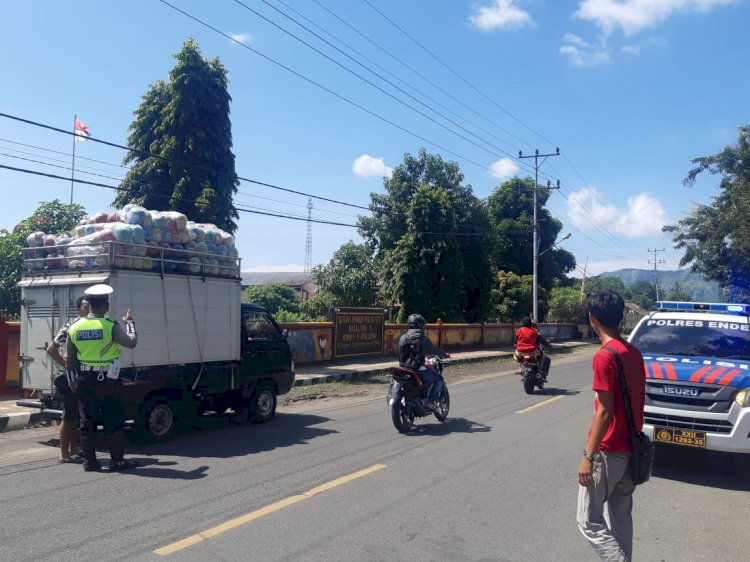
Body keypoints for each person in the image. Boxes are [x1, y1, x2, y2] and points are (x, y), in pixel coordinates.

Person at [576, 290, 646, 562]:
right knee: (620, 519)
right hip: (631, 448)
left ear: (592, 318)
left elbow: (605, 411)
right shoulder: (633, 352)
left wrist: (587, 456)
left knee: (588, 520)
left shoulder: (605, 356)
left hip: (608, 450)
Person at [66, 284, 138, 472]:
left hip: (83, 378)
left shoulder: (74, 327)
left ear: (88, 304)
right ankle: (117, 460)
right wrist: (129, 323)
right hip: (108, 379)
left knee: (87, 421)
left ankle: (90, 461)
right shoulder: (110, 326)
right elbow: (131, 343)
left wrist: (72, 381)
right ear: (106, 305)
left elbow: (70, 360)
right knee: (113, 418)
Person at [47, 295, 89, 464]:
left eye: (90, 306)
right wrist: (67, 365)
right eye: (85, 306)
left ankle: (74, 450)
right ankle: (64, 453)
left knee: (75, 416)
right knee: (69, 415)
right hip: (66, 377)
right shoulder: (70, 327)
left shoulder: (88, 327)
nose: (88, 309)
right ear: (79, 309)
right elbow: (51, 349)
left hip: (79, 376)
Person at [398, 314, 450, 410]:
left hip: (403, 369)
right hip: (417, 369)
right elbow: (433, 349)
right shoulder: (420, 338)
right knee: (439, 379)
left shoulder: (403, 337)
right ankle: (430, 402)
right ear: (420, 324)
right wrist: (443, 354)